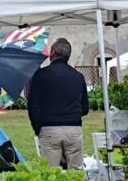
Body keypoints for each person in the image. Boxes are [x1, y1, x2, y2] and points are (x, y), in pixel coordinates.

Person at [27, 38, 89, 170]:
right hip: (73, 128)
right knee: (76, 172)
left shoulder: (41, 75)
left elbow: (32, 105)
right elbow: (85, 108)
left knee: (51, 173)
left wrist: (38, 128)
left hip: (49, 128)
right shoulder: (78, 76)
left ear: (53, 52)